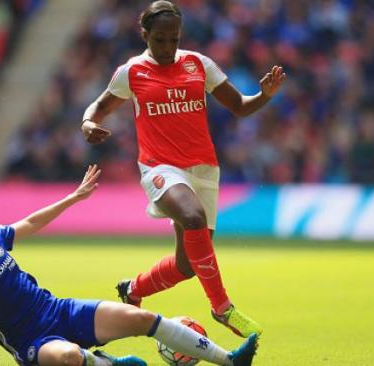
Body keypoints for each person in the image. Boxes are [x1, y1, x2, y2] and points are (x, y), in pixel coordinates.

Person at [0, 165, 259, 366]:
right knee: (70, 358)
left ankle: (229, 359)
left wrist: (74, 197)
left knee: (141, 319)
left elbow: (33, 221)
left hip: (61, 311)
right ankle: (105, 362)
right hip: (33, 345)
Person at [80, 0, 286, 338]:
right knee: (193, 218)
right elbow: (99, 107)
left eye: (173, 39)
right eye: (159, 39)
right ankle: (222, 308)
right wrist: (88, 123)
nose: (167, 47)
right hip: (160, 167)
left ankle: (132, 289)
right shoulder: (132, 71)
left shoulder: (198, 64)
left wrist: (265, 95)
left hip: (204, 170)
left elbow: (240, 106)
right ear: (144, 34)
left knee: (188, 265)